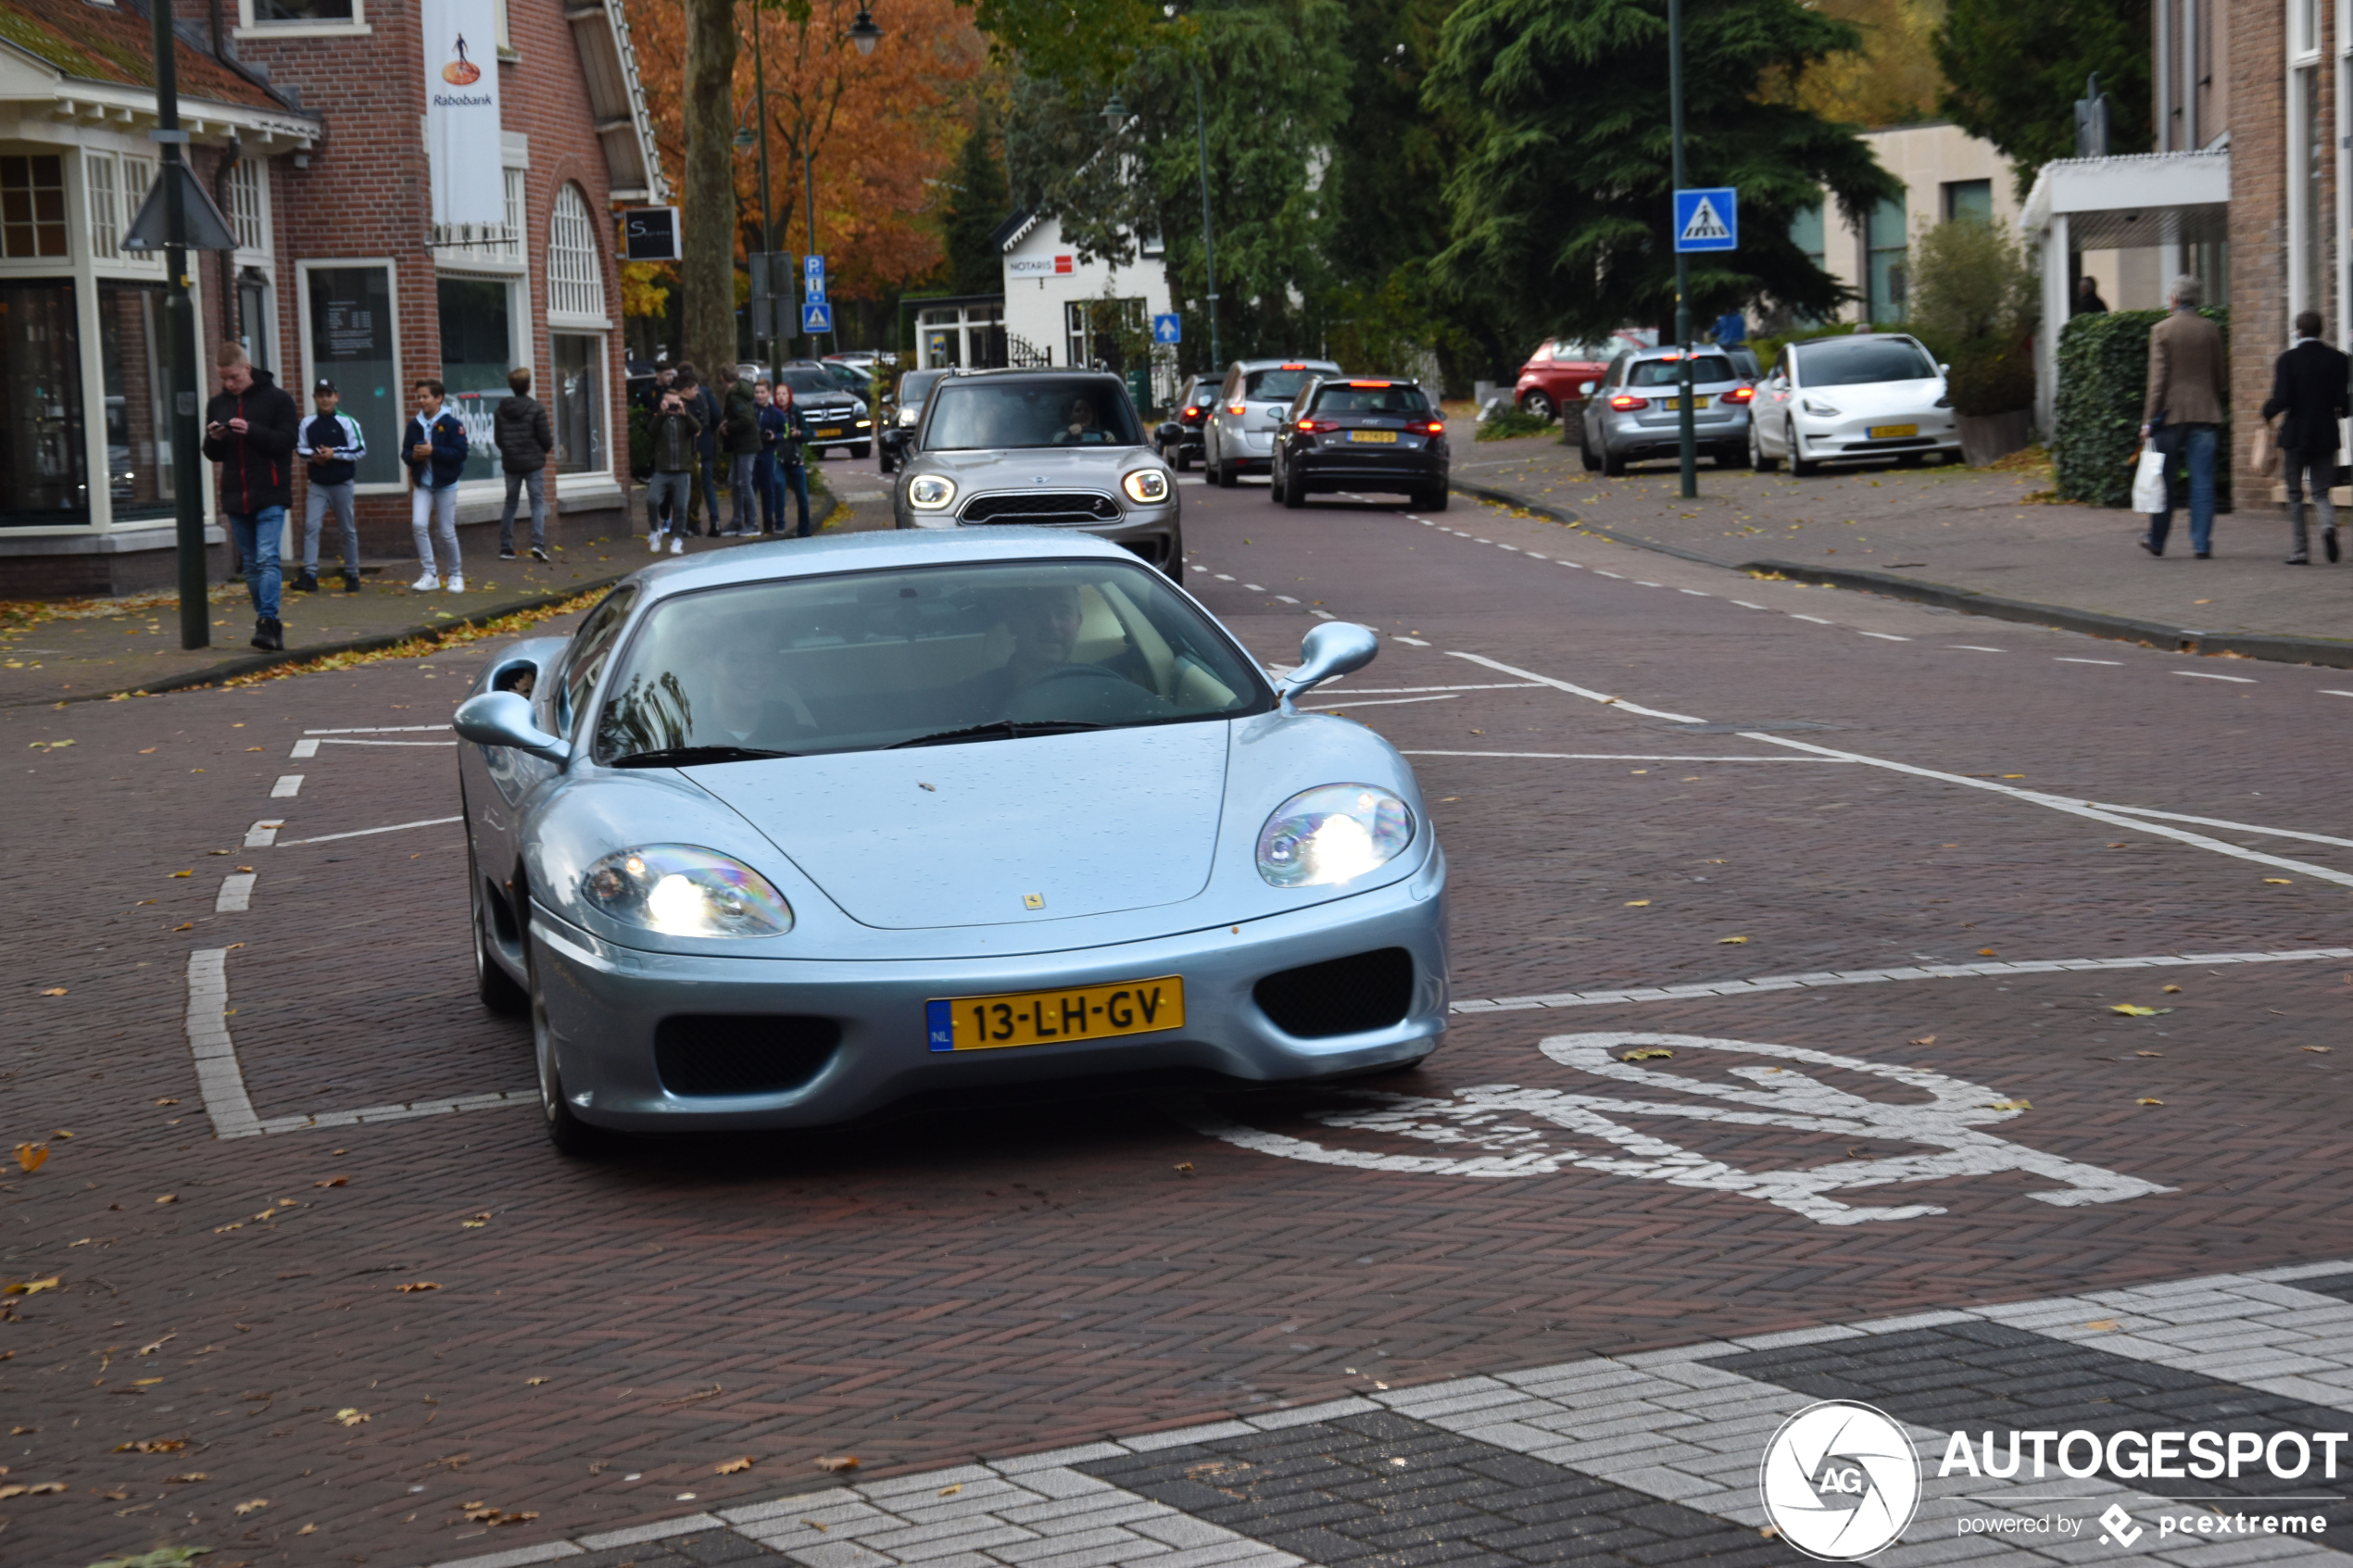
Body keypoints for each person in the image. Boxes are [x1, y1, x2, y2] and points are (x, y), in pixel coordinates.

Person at [202, 344, 300, 651]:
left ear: (247, 368)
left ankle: (267, 620)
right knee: (252, 564)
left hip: (270, 490)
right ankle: (267, 624)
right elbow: (212, 454)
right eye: (223, 379)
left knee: (266, 557)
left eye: (233, 377)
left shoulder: (279, 399)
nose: (229, 384)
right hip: (235, 493)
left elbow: (287, 442)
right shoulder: (217, 404)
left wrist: (252, 430)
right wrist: (214, 439)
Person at [2139, 274, 2229, 559]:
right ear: (2196, 300)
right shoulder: (2210, 329)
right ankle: (2201, 544)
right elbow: (2219, 375)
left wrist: (2148, 420)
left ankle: (2157, 540)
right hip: (2205, 413)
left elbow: (2158, 381)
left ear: (2173, 300)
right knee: (2202, 481)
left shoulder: (2161, 330)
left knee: (2164, 481)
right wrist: (2210, 398)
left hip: (2170, 415)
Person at [2262, 309, 2351, 566]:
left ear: (2298, 332)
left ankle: (2300, 550)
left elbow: (2282, 399)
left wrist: (2266, 413)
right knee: (2322, 492)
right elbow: (2344, 404)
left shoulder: (2288, 360)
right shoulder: (2338, 360)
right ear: (2320, 330)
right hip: (2326, 434)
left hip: (2296, 436)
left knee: (2293, 493)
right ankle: (2327, 528)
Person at [295, 377, 366, 596]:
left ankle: (352, 574)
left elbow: (360, 450)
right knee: (311, 527)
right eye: (321, 395)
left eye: (329, 395)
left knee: (347, 529)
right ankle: (310, 574)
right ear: (315, 398)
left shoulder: (347, 422)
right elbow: (301, 449)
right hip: (318, 484)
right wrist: (313, 457)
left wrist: (334, 454)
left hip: (341, 483)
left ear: (336, 397)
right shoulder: (307, 423)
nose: (325, 399)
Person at [403, 378, 470, 591]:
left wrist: (434, 452)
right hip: (423, 483)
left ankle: (456, 574)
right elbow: (405, 453)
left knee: (446, 531)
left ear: (439, 398)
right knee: (419, 525)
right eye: (419, 397)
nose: (421, 401)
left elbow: (460, 453)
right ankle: (429, 573)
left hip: (446, 484)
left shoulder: (452, 424)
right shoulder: (414, 425)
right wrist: (414, 456)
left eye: (426, 396)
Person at [494, 366, 555, 561]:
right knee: (536, 503)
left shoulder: (500, 411)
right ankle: (537, 545)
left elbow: (498, 439)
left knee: (510, 503)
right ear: (529, 386)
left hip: (511, 464)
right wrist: (539, 451)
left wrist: (510, 452)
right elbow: (546, 439)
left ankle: (506, 548)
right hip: (533, 464)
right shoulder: (536, 408)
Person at [643, 377, 701, 556]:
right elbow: (651, 432)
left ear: (681, 403)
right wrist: (661, 414)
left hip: (682, 469)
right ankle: (655, 531)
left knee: (682, 506)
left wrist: (685, 414)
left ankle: (677, 539)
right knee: (652, 500)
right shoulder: (659, 418)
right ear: (663, 403)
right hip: (663, 469)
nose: (672, 407)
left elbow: (697, 428)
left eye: (675, 403)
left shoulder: (685, 418)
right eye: (669, 403)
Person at [719, 365, 761, 536]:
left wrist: (728, 427)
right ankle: (738, 521)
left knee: (743, 483)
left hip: (746, 445)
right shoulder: (740, 392)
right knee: (735, 481)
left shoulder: (735, 397)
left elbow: (746, 419)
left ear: (723, 379)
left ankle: (752, 523)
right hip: (741, 444)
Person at [767, 379, 812, 535]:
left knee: (802, 496)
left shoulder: (796, 412)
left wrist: (798, 433)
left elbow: (808, 434)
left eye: (784, 394)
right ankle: (779, 524)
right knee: (779, 485)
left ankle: (804, 530)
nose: (780, 397)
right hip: (777, 457)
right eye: (778, 394)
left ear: (789, 396)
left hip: (795, 458)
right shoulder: (772, 413)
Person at [680, 365, 722, 534]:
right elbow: (717, 415)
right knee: (707, 484)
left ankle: (691, 523)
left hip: (690, 448)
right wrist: (708, 432)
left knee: (688, 486)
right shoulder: (705, 393)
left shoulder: (679, 398)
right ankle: (715, 522)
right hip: (705, 443)